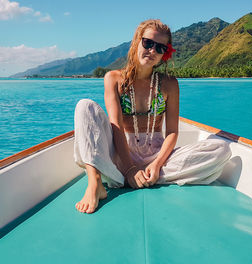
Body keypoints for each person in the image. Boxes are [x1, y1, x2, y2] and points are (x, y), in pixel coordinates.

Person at [74, 19, 231, 214]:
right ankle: (96, 181)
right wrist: (130, 168)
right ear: (136, 42)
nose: (152, 51)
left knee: (221, 149)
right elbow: (116, 126)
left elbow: (172, 131)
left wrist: (156, 165)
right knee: (84, 107)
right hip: (120, 157)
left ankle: (148, 176)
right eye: (148, 43)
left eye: (160, 48)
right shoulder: (113, 78)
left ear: (164, 54)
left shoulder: (170, 84)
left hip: (157, 156)